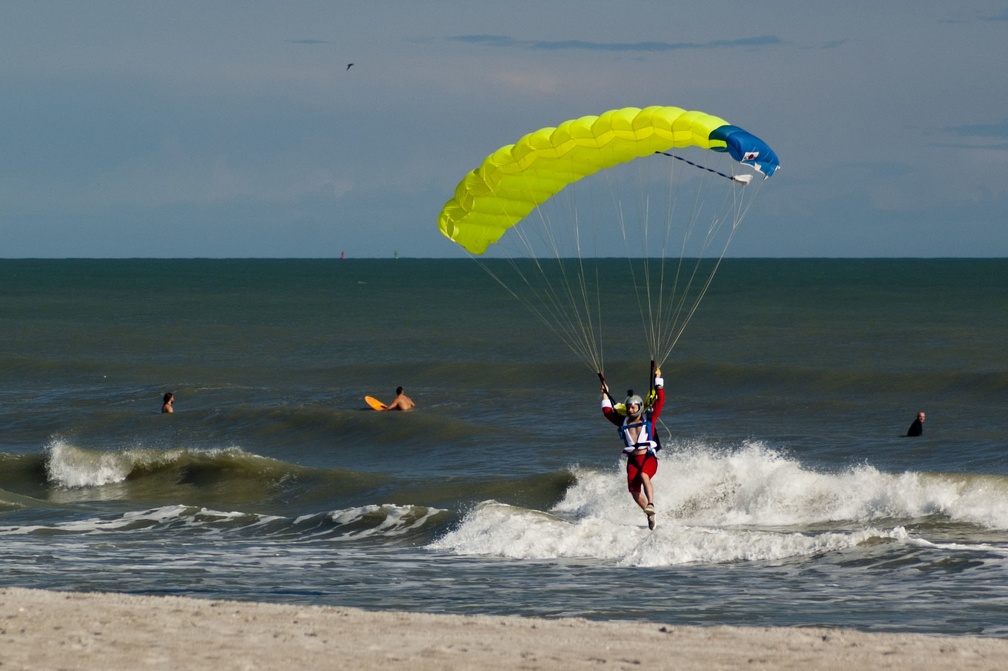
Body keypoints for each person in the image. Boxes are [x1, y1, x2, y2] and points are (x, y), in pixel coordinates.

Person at [601, 369, 665, 530]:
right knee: (633, 490)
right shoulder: (623, 421)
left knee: (644, 475)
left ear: (640, 407)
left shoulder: (649, 418)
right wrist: (604, 394)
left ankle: (651, 503)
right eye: (628, 407)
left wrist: (658, 380)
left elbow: (660, 400)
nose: (630, 410)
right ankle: (649, 514)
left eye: (633, 407)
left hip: (648, 457)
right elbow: (607, 412)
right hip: (633, 460)